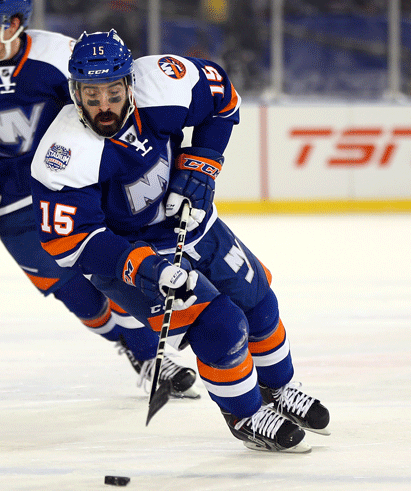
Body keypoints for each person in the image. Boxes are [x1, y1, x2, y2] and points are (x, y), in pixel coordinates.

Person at [30, 30, 330, 452]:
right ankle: (245, 415)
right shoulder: (63, 153)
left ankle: (278, 388)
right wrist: (145, 265)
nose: (103, 107)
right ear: (74, 92)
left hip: (191, 222)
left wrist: (202, 165)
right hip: (133, 253)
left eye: (113, 93)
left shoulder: (165, 84)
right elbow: (69, 242)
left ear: (130, 83)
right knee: (221, 327)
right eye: (91, 95)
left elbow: (223, 102)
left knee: (258, 299)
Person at [0, 0, 200, 398]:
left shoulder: (59, 56)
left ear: (13, 23)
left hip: (75, 190)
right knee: (78, 296)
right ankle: (132, 348)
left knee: (111, 272)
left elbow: (108, 108)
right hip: (12, 206)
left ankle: (151, 357)